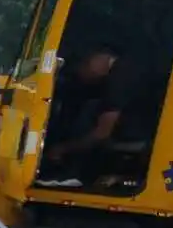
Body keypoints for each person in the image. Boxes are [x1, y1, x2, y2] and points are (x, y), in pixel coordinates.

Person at [40, 45, 148, 185]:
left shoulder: (119, 80)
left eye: (82, 67)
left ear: (96, 59)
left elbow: (102, 133)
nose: (81, 75)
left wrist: (62, 149)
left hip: (135, 145)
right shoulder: (133, 68)